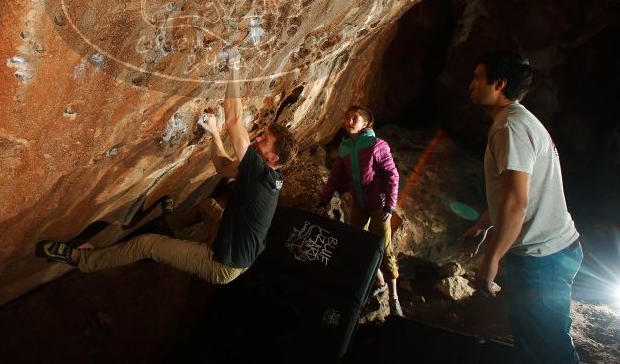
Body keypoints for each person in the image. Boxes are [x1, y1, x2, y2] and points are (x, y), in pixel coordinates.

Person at [36, 51, 298, 284]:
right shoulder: (266, 175)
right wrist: (214, 135)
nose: (257, 139)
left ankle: (79, 258)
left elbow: (234, 120)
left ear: (272, 159)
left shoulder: (262, 177)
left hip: (222, 262)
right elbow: (221, 168)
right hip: (233, 244)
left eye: (265, 140)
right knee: (207, 206)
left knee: (146, 245)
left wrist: (235, 66)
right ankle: (169, 222)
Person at [460, 50, 581, 363]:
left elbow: (517, 202)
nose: (471, 84)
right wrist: (485, 223)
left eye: (477, 77)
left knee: (550, 352)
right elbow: (515, 194)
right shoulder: (516, 121)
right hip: (550, 253)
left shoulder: (510, 128)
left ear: (499, 84)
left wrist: (491, 260)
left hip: (542, 258)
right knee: (533, 346)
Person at [316, 105, 402, 316]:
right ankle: (379, 281)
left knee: (384, 248)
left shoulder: (376, 145)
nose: (350, 122)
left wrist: (390, 205)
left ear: (366, 124)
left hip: (379, 204)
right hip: (359, 204)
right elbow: (335, 178)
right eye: (347, 118)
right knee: (357, 243)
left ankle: (394, 298)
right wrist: (323, 201)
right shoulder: (345, 148)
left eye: (355, 118)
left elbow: (393, 175)